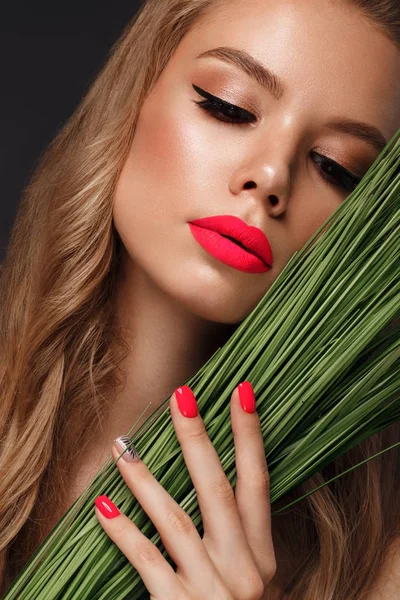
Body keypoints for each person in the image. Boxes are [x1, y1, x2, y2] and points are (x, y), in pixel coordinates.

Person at [0, 0, 399, 597]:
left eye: (335, 167)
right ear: (136, 96)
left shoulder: (376, 571)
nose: (271, 175)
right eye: (229, 105)